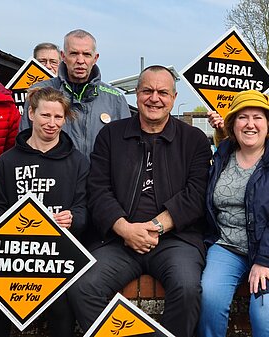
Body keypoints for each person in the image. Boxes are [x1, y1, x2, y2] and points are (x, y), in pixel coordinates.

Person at [68, 65, 211, 336]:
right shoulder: (111, 135)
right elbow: (97, 189)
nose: (154, 98)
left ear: (174, 97)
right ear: (136, 94)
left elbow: (196, 194)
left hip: (175, 240)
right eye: (147, 91)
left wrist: (155, 227)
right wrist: (125, 229)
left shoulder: (194, 140)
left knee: (188, 288)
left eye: (162, 92)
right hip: (118, 239)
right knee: (84, 288)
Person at [0, 86, 88, 337]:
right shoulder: (8, 160)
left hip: (58, 253)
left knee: (62, 309)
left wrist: (74, 218)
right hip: (15, 254)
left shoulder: (78, 161)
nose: (52, 123)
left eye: (58, 117)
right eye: (45, 115)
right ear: (31, 114)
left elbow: (83, 208)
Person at [197, 90, 269, 337]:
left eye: (257, 117)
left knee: (264, 311)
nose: (250, 124)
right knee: (210, 297)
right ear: (232, 124)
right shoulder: (222, 154)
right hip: (227, 245)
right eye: (242, 117)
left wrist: (265, 259)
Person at [20, 29, 131, 158]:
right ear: (63, 56)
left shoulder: (115, 99)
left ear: (95, 58)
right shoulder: (40, 92)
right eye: (74, 53)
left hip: (98, 177)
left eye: (86, 54)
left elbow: (126, 151)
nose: (80, 60)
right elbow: (24, 143)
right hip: (52, 176)